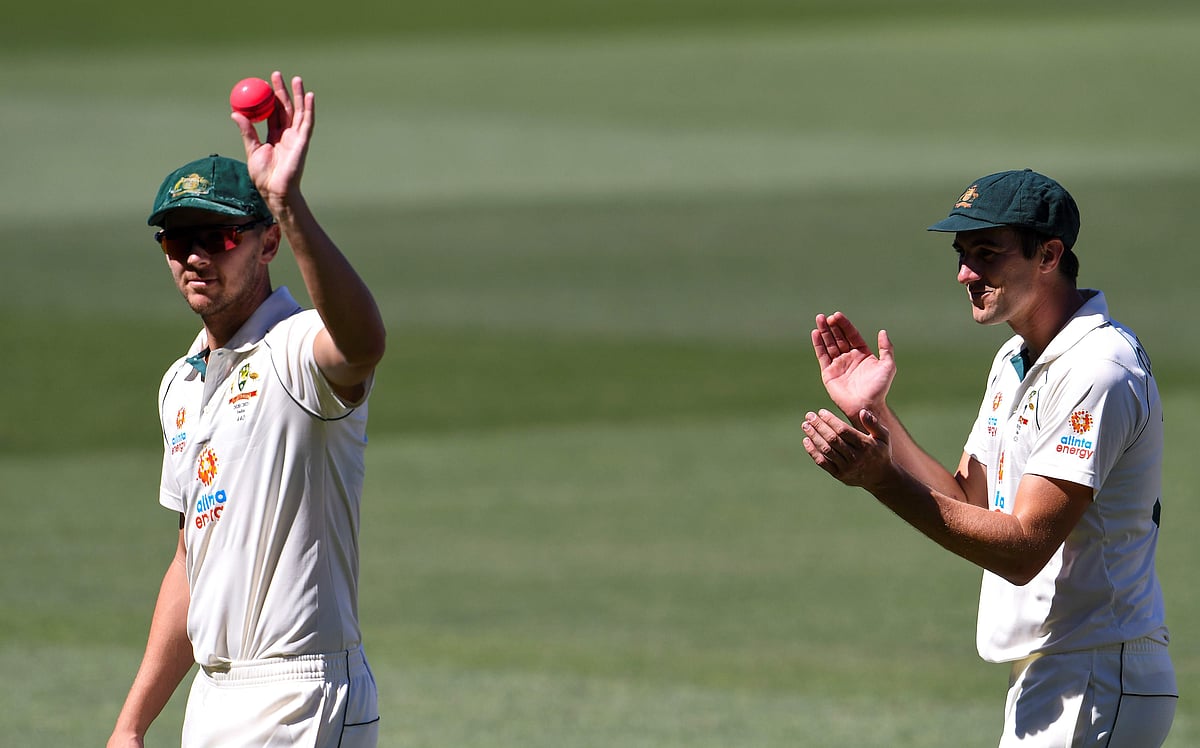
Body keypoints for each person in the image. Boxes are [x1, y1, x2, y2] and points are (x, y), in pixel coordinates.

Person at [800, 169, 1176, 746]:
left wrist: (881, 482)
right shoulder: (1014, 358)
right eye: (961, 254)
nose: (965, 274)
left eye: (986, 254)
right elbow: (969, 500)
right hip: (1056, 675)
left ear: (1049, 254)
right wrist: (875, 413)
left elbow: (1023, 548)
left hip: (1096, 675)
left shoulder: (1097, 370)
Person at [107, 71, 386, 748]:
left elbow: (363, 343)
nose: (195, 256)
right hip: (213, 696)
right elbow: (190, 562)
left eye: (219, 237)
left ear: (266, 243)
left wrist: (289, 204)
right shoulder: (182, 382)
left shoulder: (295, 351)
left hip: (300, 694)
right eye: (177, 240)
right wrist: (132, 723)